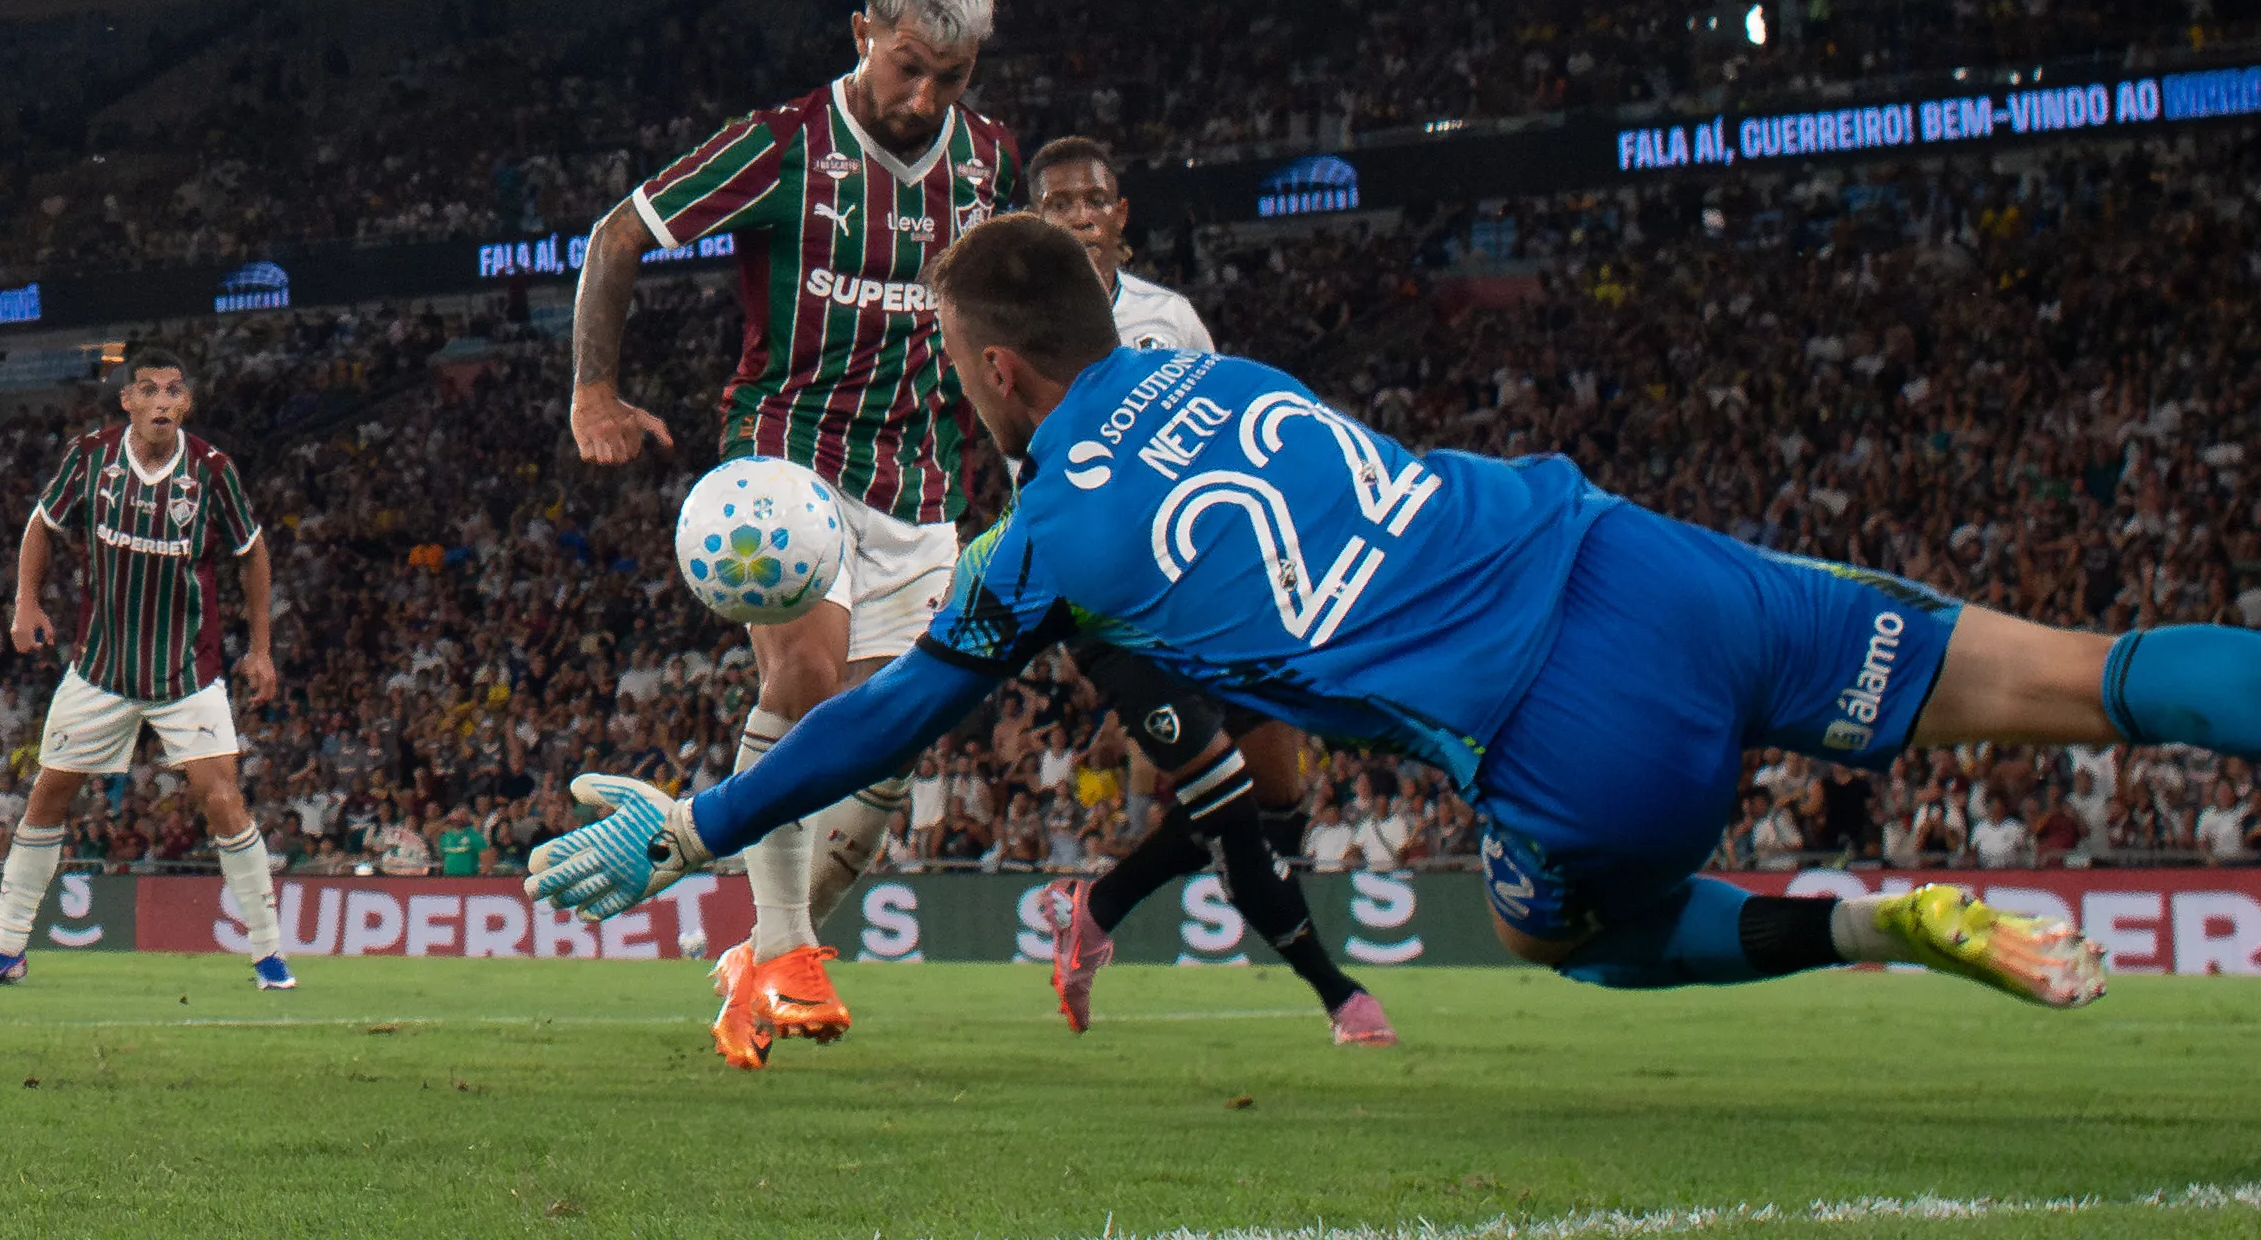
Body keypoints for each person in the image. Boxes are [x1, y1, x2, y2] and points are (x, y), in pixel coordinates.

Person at [539, 213, 2261, 1013]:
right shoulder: (1243, 371)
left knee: (1560, 937)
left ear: (997, 369)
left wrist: (698, 822)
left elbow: (890, 711)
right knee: (2102, 677)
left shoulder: (1040, 539)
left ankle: (1888, 932)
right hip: (1643, 558)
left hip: (1564, 737)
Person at [566, 0, 1017, 1069]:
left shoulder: (986, 161)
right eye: (908, 65)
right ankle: (782, 943)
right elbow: (619, 232)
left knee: (890, 746)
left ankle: (756, 951)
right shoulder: (784, 147)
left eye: (950, 77)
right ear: (863, 31)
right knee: (805, 679)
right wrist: (595, 390)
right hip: (787, 451)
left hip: (918, 475)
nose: (923, 98)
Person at [1026, 135, 1392, 1045]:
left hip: (1209, 593)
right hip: (1110, 607)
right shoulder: (1013, 332)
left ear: (1121, 218)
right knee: (1226, 805)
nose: (1079, 216)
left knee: (1276, 799)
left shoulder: (1170, 317)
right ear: (1035, 221)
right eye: (1059, 203)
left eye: (1093, 201)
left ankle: (1094, 909)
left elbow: (1221, 436)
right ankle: (1340, 995)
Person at [0, 348, 293, 991]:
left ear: (186, 403)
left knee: (222, 800)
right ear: (126, 401)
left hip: (186, 672)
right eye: (149, 390)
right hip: (100, 670)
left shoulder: (213, 471)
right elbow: (42, 524)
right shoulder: (90, 457)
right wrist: (25, 600)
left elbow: (253, 555)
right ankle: (6, 949)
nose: (162, 401)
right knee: (48, 793)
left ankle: (269, 954)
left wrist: (262, 647)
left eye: (173, 391)